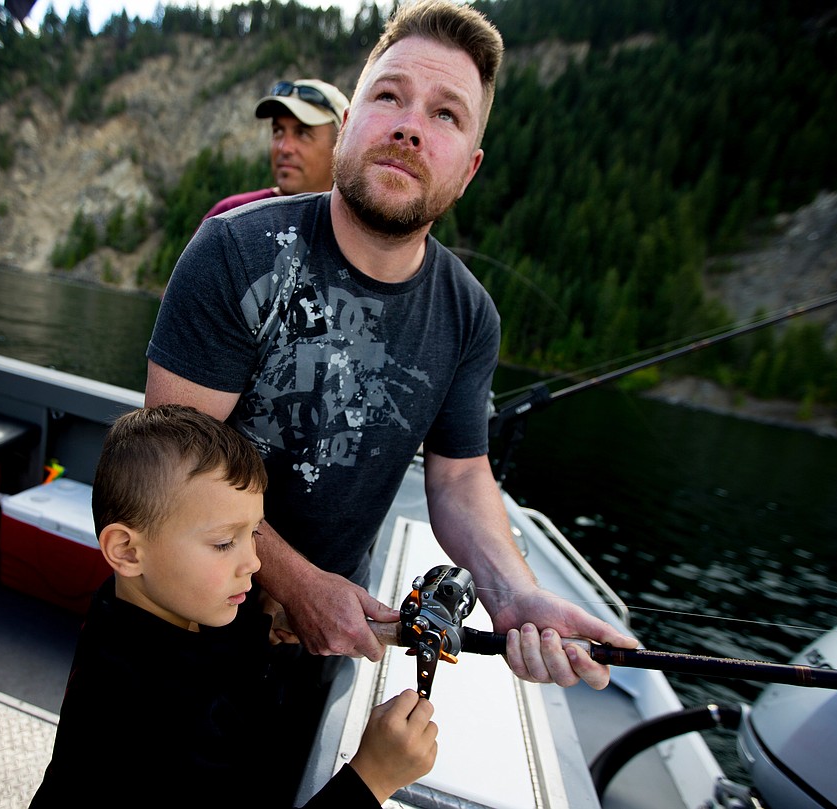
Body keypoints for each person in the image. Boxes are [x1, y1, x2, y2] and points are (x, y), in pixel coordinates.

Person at [146, 0, 637, 792]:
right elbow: (170, 462)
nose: (411, 126)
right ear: (350, 122)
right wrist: (298, 583)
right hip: (168, 636)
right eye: (390, 96)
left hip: (306, 657)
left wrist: (514, 592)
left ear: (468, 166)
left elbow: (458, 475)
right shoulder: (236, 252)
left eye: (445, 114)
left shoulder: (468, 313)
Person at [29, 405, 438, 808]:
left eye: (253, 534)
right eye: (225, 542)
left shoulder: (127, 607)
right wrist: (373, 778)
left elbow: (194, 656)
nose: (255, 563)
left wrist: (257, 630)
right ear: (126, 551)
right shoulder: (158, 718)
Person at [201, 78, 350, 220]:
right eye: (278, 131)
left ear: (340, 146)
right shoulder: (230, 216)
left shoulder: (359, 232)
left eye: (302, 133)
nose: (284, 148)